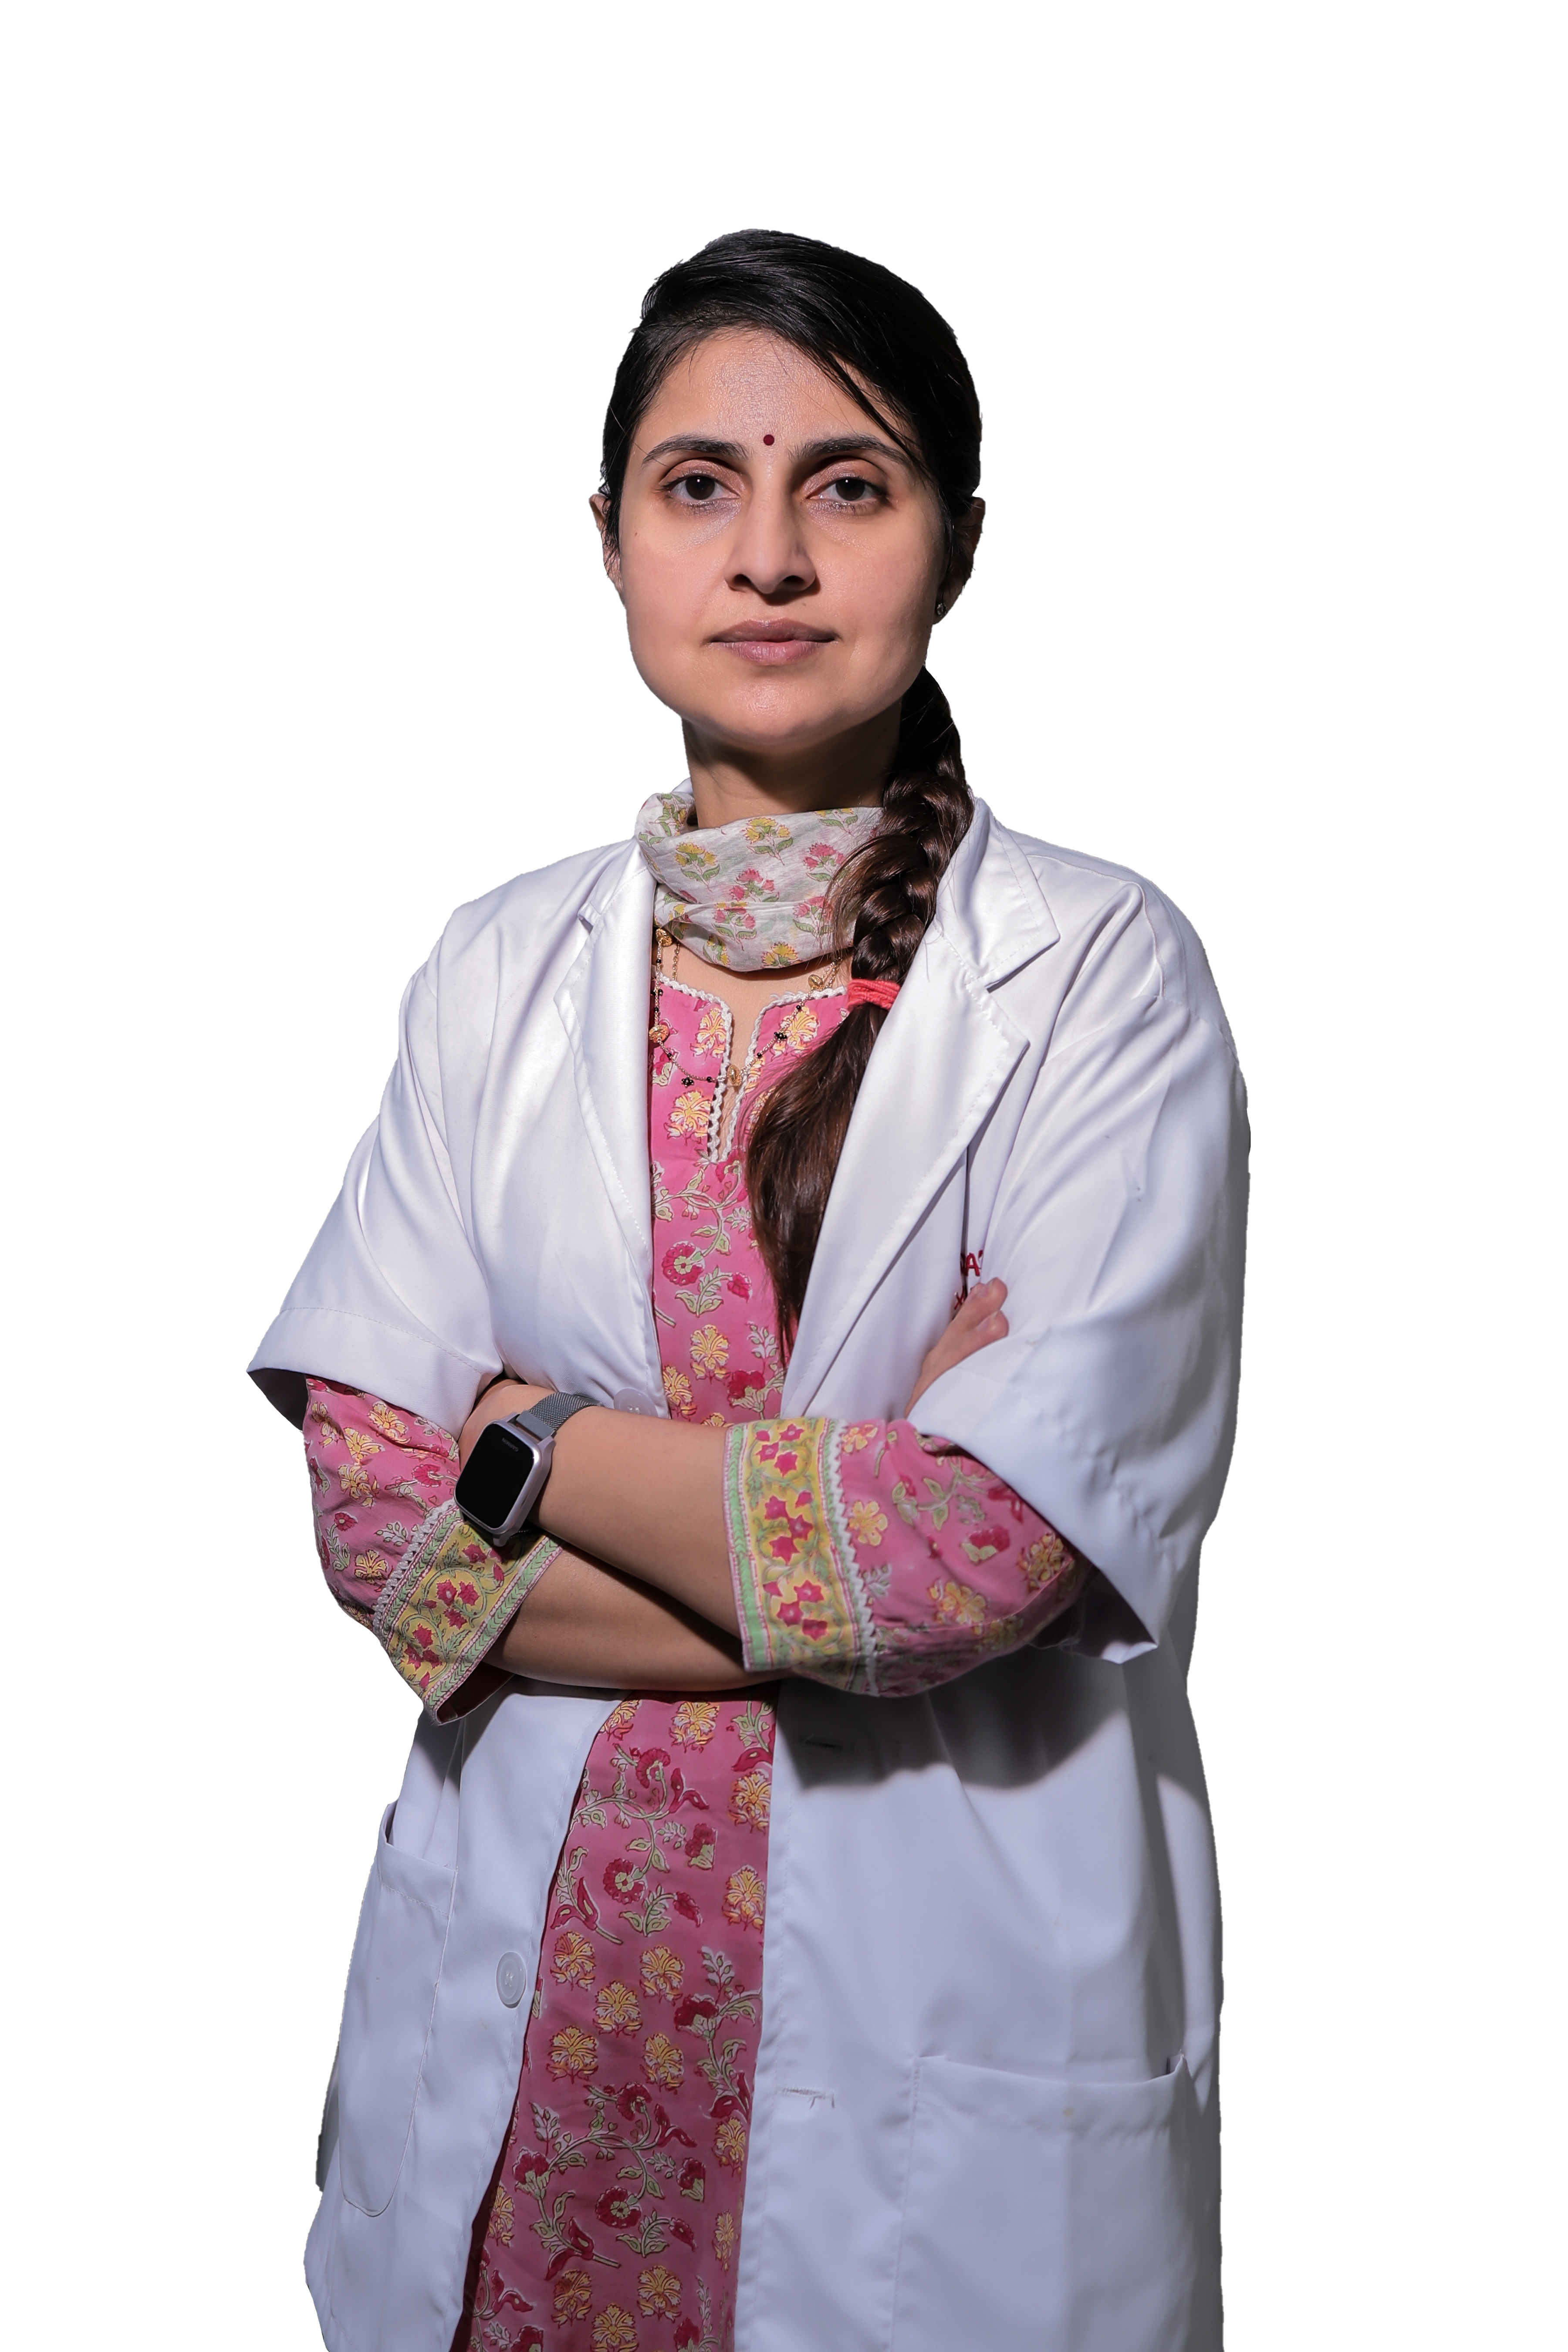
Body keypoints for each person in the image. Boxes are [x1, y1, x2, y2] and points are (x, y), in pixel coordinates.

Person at [251, 228, 1248, 2352]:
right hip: (548, 2072)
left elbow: (979, 1559)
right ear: (608, 538)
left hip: (929, 2062)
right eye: (700, 483)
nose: (771, 555)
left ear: (957, 546)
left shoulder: (1095, 981)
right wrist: (835, 1526)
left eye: (852, 487)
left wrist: (530, 1448)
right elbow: (365, 1529)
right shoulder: (494, 970)